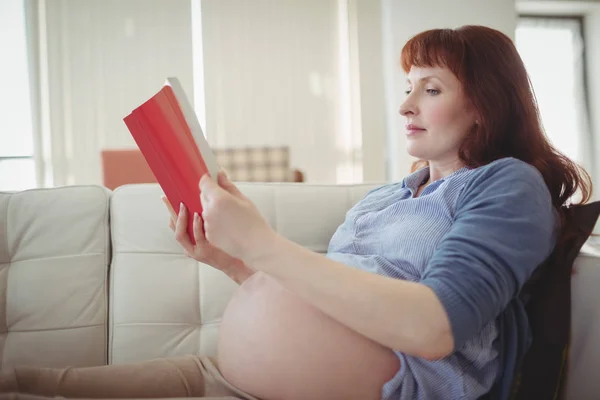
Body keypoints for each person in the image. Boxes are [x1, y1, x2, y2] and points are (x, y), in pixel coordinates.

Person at [0, 24, 593, 400]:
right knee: (31, 383)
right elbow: (320, 305)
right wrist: (232, 261)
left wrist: (262, 245)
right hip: (227, 378)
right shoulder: (387, 196)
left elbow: (433, 328)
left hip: (392, 388)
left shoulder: (506, 185)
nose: (406, 103)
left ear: (485, 106)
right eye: (407, 85)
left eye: (430, 89)